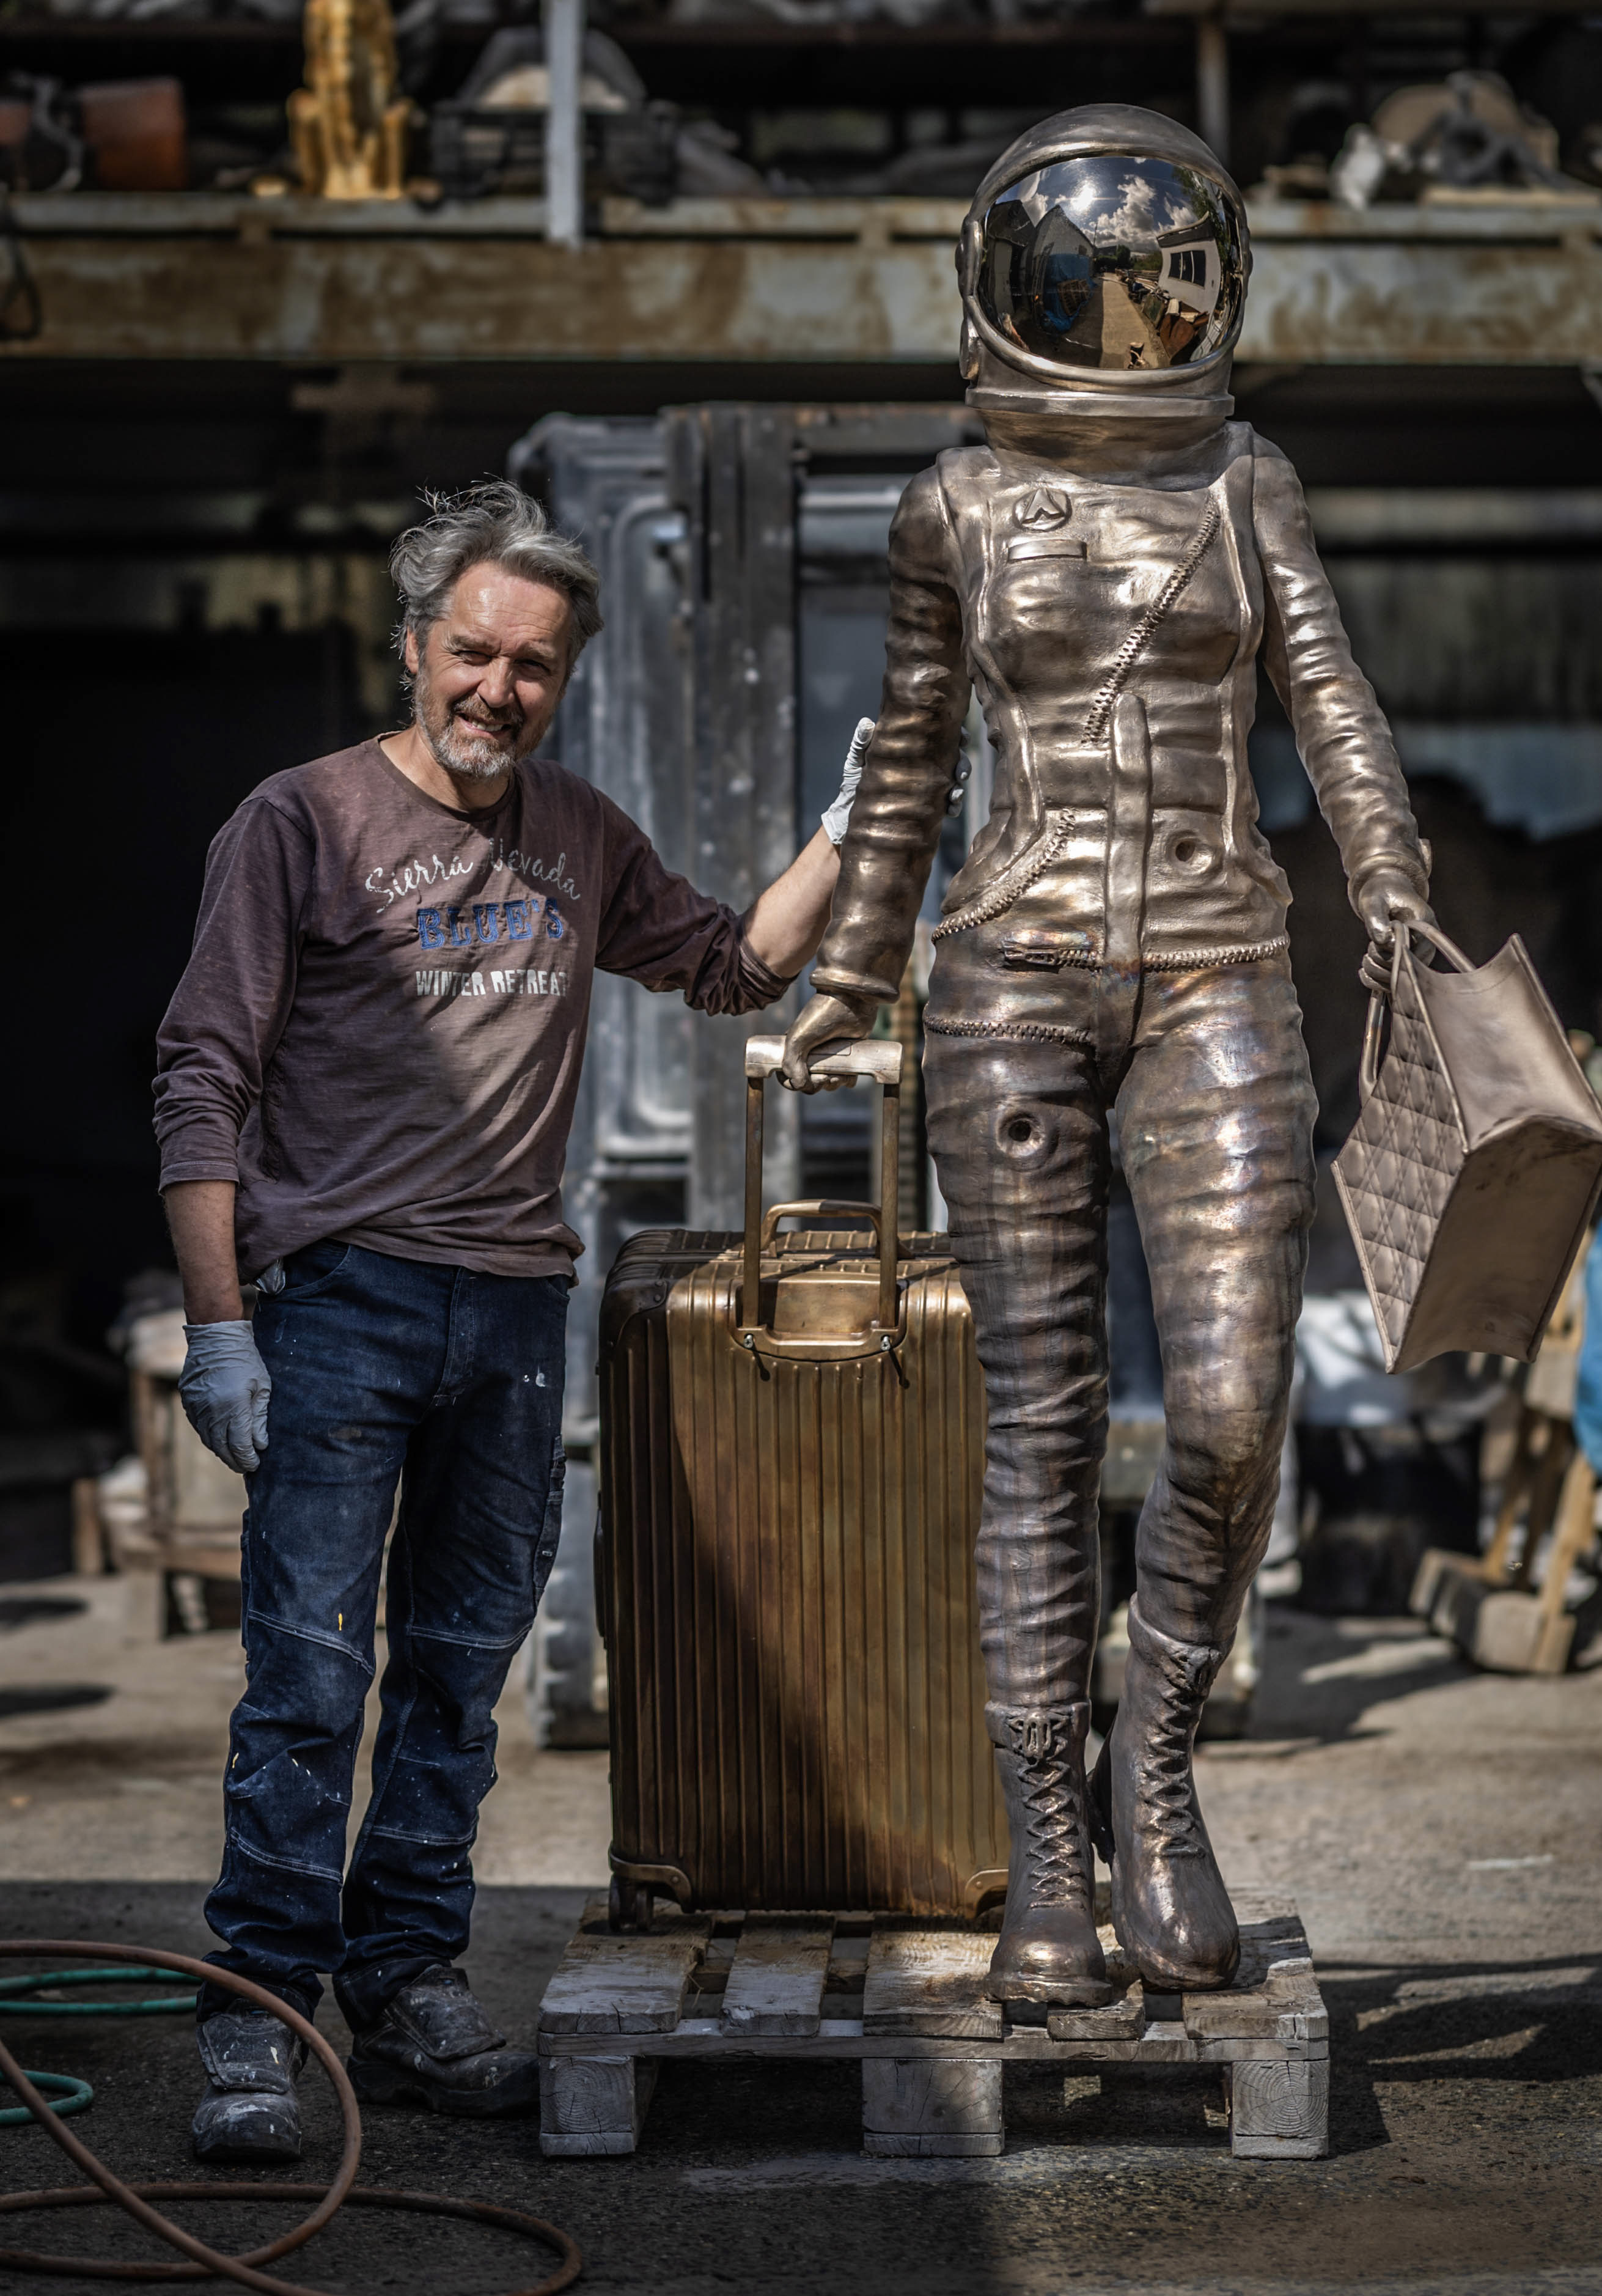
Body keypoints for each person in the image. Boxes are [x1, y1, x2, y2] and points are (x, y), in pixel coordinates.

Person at [782, 105, 1435, 2009]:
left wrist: (1391, 881)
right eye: (1089, 282)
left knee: (1232, 1412)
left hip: (1222, 965)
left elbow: (1331, 694)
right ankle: (1048, 1867)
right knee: (1042, 1432)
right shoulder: (953, 504)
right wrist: (854, 970)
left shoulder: (1247, 478)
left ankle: (1156, 1774)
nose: (1128, 315)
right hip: (1011, 977)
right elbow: (909, 759)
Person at [155, 479, 845, 2159]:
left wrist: (861, 824)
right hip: (340, 1306)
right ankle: (259, 2021)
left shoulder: (580, 835)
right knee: (309, 1676)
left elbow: (736, 969)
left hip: (516, 1312)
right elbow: (201, 1078)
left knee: (459, 1680)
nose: (499, 689)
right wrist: (219, 1324)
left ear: (564, 679)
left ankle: (404, 1983)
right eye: (473, 652)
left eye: (534, 666)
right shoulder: (299, 824)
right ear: (413, 646)